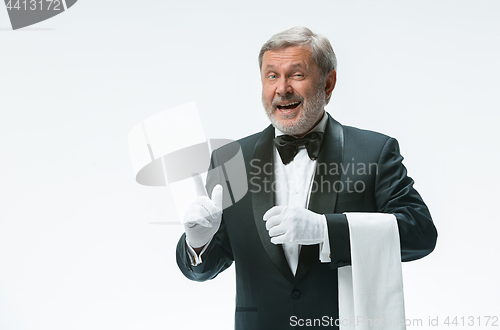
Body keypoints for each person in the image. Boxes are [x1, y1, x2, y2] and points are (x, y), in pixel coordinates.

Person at [176, 26, 437, 330]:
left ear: (328, 83)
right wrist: (198, 243)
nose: (282, 88)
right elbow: (204, 269)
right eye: (272, 75)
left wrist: (327, 230)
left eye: (296, 75)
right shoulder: (230, 160)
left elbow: (420, 233)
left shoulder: (374, 152)